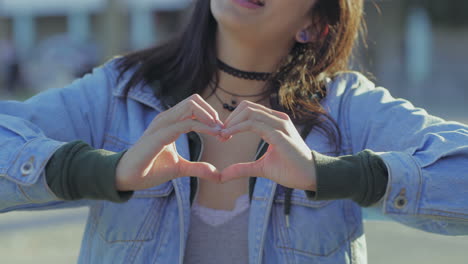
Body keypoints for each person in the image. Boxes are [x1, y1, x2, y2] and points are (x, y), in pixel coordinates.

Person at [0, 0, 467, 263]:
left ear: (313, 24)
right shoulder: (120, 91)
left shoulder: (345, 106)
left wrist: (337, 175)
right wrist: (105, 171)